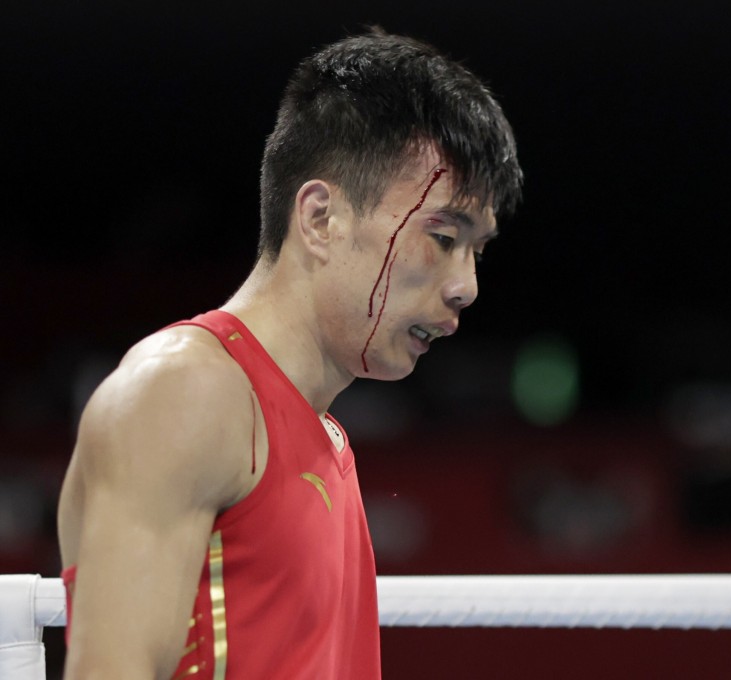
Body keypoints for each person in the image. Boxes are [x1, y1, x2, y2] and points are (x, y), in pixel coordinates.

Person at [56, 29, 523, 679]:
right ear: (321, 218)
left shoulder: (326, 438)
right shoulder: (185, 392)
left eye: (476, 250)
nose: (466, 284)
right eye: (442, 236)